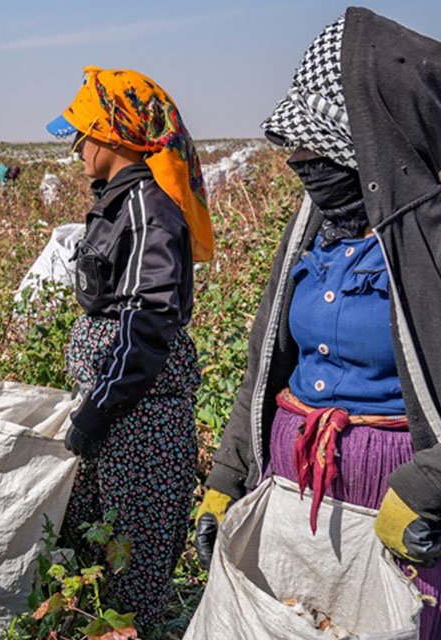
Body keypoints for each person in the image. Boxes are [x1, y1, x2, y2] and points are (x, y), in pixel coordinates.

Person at [197, 9, 441, 636]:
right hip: (291, 491)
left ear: (369, 141)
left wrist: (428, 487)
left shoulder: (429, 242)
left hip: (392, 500)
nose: (298, 158)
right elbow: (266, 364)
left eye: (316, 142)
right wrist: (229, 473)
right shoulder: (312, 229)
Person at [45, 66, 213, 633]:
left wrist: (96, 412)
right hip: (118, 417)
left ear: (113, 135)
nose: (76, 148)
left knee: (129, 577)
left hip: (137, 426)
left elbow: (148, 322)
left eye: (81, 134)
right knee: (96, 567)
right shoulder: (119, 202)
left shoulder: (148, 209)